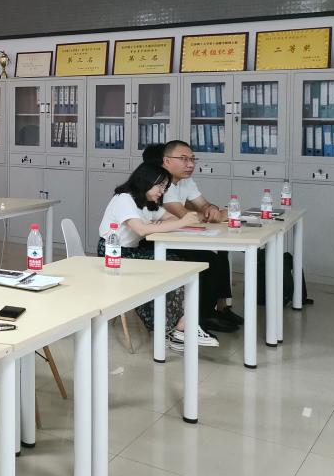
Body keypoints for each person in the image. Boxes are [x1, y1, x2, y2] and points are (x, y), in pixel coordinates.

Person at [97, 162, 219, 352]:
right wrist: (180, 223)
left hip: (130, 252)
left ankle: (181, 326)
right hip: (114, 254)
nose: (162, 191)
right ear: (146, 181)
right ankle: (176, 329)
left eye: (165, 187)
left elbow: (170, 218)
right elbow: (141, 230)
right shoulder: (124, 199)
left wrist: (167, 222)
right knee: (171, 268)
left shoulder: (147, 202)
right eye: (160, 186)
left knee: (181, 267)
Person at [152, 141, 242, 332]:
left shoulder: (186, 180)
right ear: (166, 161)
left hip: (177, 234)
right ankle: (203, 315)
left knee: (221, 253)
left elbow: (203, 205)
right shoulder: (160, 182)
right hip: (157, 239)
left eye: (192, 159)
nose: (190, 164)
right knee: (209, 259)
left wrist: (212, 209)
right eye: (184, 159)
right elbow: (184, 216)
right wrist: (213, 215)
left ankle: (221, 308)